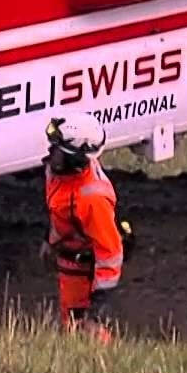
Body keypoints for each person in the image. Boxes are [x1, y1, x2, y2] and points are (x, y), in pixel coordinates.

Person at [41, 112, 125, 342]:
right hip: (69, 257)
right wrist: (49, 240)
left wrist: (97, 308)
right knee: (71, 326)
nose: (51, 153)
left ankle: (102, 363)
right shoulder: (58, 171)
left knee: (85, 331)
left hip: (85, 266)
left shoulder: (92, 199)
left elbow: (111, 255)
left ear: (76, 159)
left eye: (57, 149)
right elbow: (58, 210)